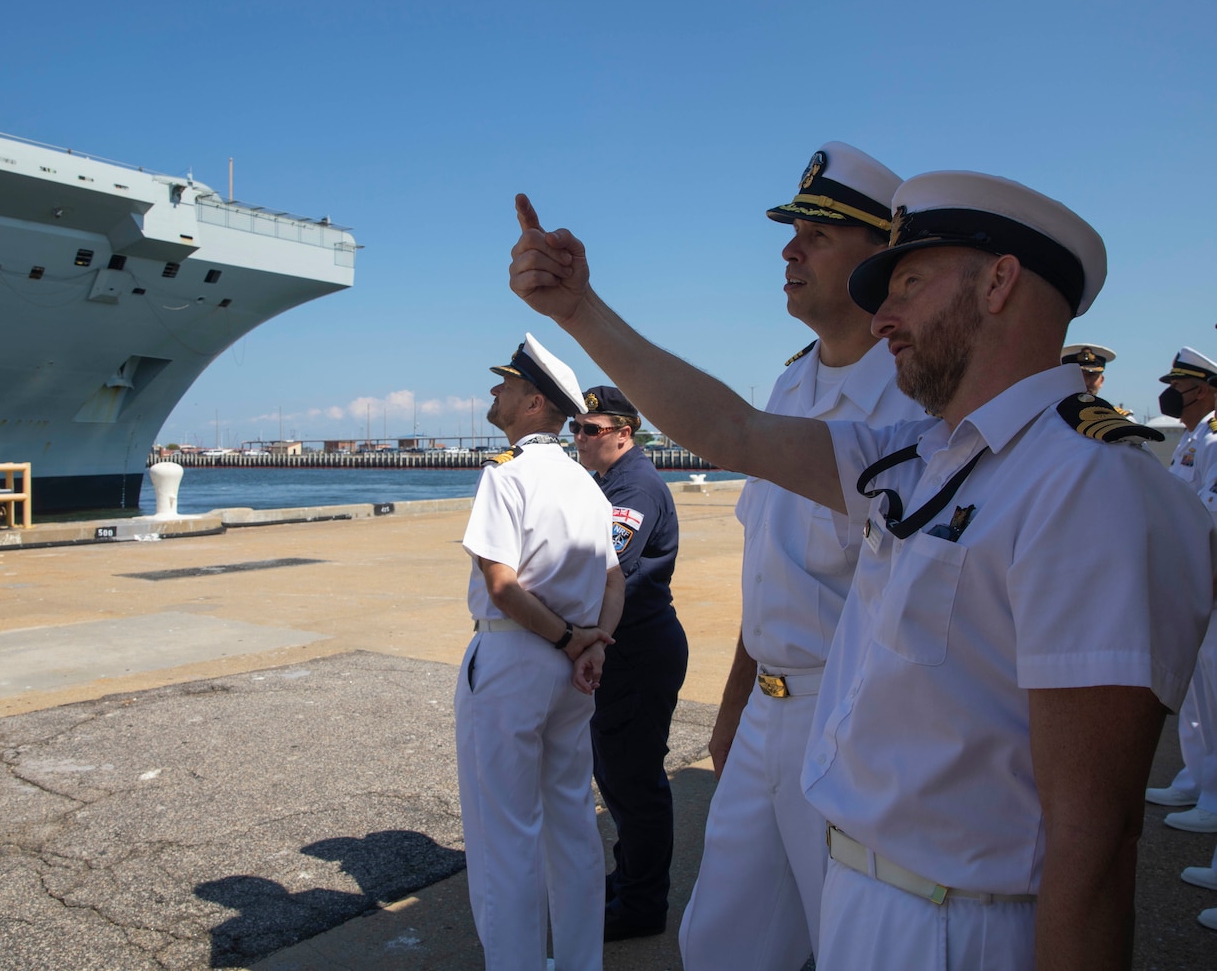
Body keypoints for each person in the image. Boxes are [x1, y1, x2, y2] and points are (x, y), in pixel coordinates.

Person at [509, 171, 1215, 970]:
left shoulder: (1092, 488)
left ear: (999, 281)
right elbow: (731, 427)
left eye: (909, 281)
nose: (884, 317)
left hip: (963, 927)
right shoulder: (919, 460)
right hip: (864, 892)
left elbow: (1095, 841)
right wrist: (579, 311)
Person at [676, 142, 922, 971]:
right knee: (720, 942)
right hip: (767, 713)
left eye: (815, 232)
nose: (789, 250)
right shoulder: (791, 387)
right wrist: (735, 702)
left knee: (852, 941)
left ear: (880, 256)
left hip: (854, 717)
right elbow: (768, 571)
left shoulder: (910, 400)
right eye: (793, 231)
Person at [455, 332, 624, 971]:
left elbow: (501, 586)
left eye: (505, 385)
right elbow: (613, 579)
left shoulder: (506, 476)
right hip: (574, 672)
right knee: (572, 825)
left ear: (532, 403)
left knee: (506, 837)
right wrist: (593, 645)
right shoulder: (584, 481)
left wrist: (568, 639)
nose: (493, 392)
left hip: (514, 660)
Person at [571, 385, 689, 942]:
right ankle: (630, 881)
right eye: (576, 427)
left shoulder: (634, 486)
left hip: (638, 650)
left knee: (634, 781)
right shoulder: (612, 482)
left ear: (624, 433)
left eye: (590, 429)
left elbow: (605, 565)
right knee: (619, 778)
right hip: (630, 646)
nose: (579, 438)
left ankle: (642, 905)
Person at [1144, 348, 1217, 834]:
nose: (1173, 394)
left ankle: (1213, 798)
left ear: (1206, 389)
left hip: (1209, 577)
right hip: (1192, 576)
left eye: (1182, 385)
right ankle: (1197, 777)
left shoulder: (1214, 437)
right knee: (1196, 692)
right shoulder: (1194, 436)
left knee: (1213, 690)